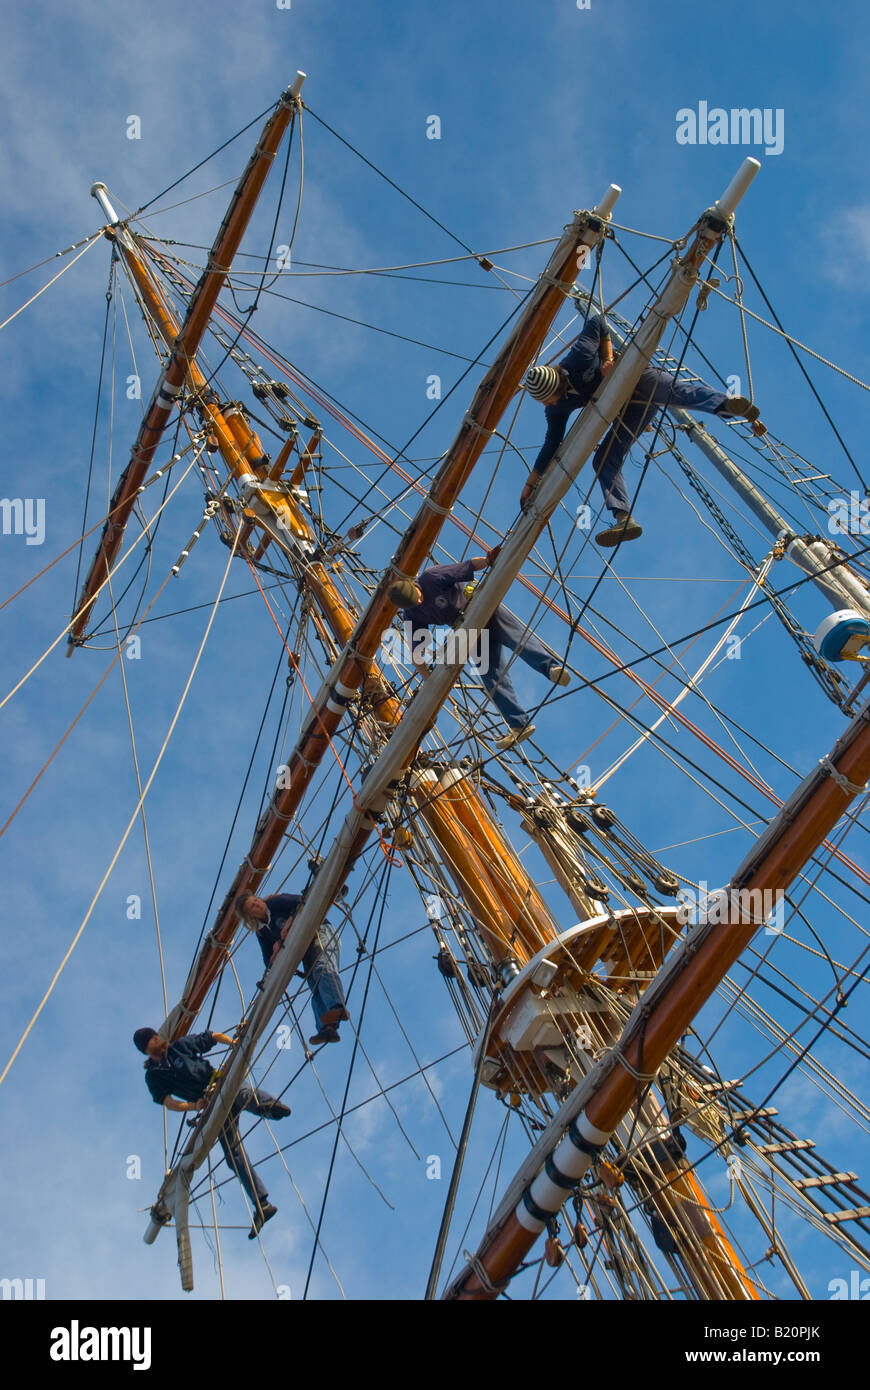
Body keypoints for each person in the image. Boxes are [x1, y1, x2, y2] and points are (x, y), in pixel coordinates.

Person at [520, 310, 765, 546]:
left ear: (558, 384)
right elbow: (552, 443)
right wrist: (530, 484)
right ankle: (623, 519)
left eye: (547, 397)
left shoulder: (579, 356)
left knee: (673, 391)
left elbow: (598, 322)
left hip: (634, 376)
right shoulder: (557, 408)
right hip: (631, 410)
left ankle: (726, 404)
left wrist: (608, 360)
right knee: (604, 459)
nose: (546, 404)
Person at [387, 549, 571, 752]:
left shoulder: (431, 577)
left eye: (418, 596)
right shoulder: (412, 615)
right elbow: (416, 654)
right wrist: (430, 681)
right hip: (467, 629)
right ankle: (519, 723)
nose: (420, 601)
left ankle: (552, 669)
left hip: (479, 606)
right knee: (491, 675)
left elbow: (469, 566)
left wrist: (488, 560)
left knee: (516, 638)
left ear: (415, 585)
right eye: (415, 603)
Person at [133, 1025, 290, 1238]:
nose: (157, 1038)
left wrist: (234, 1043)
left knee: (242, 1094)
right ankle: (262, 1204)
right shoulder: (154, 1076)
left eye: (155, 1035)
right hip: (210, 1105)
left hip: (220, 1082)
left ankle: (270, 1107)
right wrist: (193, 1106)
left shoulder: (180, 1046)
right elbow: (168, 1102)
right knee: (233, 1156)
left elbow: (212, 1037)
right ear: (146, 1049)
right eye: (151, 1039)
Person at [236, 892, 349, 1047]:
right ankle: (327, 1028)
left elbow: (301, 903)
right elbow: (267, 961)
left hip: (320, 932)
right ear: (250, 917)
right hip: (305, 948)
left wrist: (288, 925)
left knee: (322, 969)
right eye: (252, 907)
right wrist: (275, 949)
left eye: (256, 901)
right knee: (315, 986)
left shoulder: (275, 903)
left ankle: (337, 1006)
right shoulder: (262, 932)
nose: (258, 904)